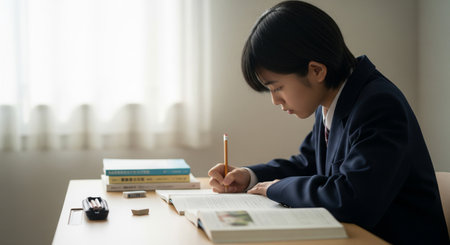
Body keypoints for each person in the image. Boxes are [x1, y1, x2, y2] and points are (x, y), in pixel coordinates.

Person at [207, 1, 449, 244]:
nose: (275, 100)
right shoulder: (333, 100)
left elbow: (352, 199)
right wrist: (250, 176)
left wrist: (275, 188)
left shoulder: (379, 105)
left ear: (316, 71)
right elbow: (309, 164)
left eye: (277, 87)